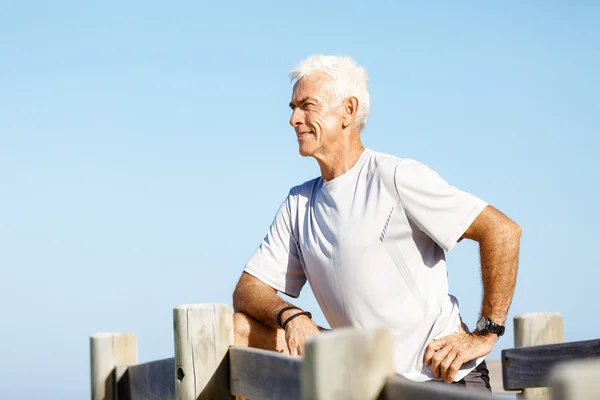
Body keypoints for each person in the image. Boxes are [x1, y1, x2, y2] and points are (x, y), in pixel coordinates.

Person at [232, 54, 521, 391]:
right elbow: (247, 290)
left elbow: (501, 231)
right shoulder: (299, 203)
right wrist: (292, 316)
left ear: (348, 110)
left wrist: (487, 333)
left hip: (440, 379)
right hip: (369, 384)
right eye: (293, 107)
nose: (294, 119)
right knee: (238, 329)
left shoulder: (395, 176)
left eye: (307, 105)